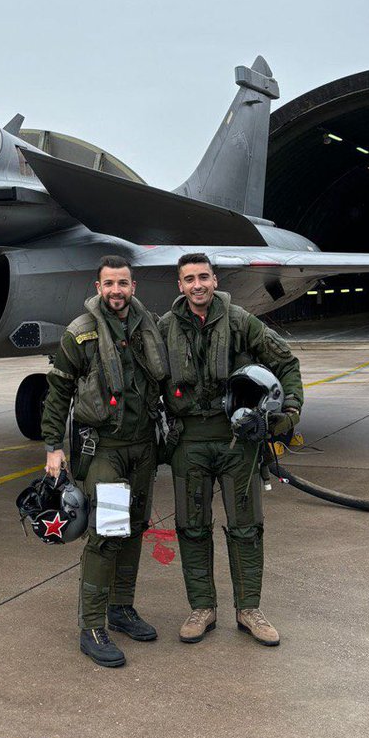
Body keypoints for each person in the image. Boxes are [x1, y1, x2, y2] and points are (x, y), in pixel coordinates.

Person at [159, 253, 303, 647]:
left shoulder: (240, 321)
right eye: (189, 279)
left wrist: (288, 412)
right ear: (180, 285)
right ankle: (202, 607)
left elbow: (286, 362)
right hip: (188, 441)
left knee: (246, 525)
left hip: (237, 439)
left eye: (203, 277)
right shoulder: (165, 327)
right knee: (191, 526)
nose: (197, 285)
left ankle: (248, 610)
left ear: (214, 279)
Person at [41, 255, 168, 667]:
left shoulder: (148, 327)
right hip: (106, 450)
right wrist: (53, 446)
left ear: (134, 287)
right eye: (109, 284)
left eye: (124, 283)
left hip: (143, 447)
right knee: (108, 532)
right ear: (98, 288)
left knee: (135, 529)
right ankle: (92, 626)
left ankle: (121, 608)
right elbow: (58, 392)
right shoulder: (80, 335)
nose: (117, 291)